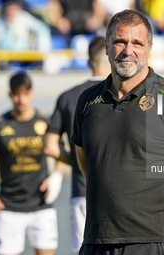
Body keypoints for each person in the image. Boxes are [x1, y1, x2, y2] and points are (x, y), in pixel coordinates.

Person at [71, 9, 164, 255]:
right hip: (96, 241)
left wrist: (160, 211)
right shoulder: (87, 101)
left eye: (137, 43)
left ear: (149, 48)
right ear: (106, 46)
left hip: (153, 242)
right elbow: (87, 164)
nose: (128, 50)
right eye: (120, 42)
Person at [0, 71, 65, 255]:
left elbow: (61, 153)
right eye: (17, 94)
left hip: (41, 206)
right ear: (10, 95)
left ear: (31, 93)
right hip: (9, 208)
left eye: (25, 94)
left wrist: (57, 176)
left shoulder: (46, 122)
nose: (21, 99)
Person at [44, 36, 111, 253]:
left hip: (81, 192)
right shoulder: (121, 95)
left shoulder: (68, 97)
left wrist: (78, 161)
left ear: (88, 62)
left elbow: (50, 146)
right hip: (117, 193)